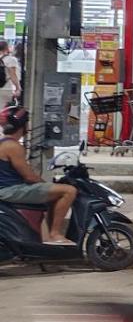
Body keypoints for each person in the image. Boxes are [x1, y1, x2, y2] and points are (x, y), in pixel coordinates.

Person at [0, 106, 76, 245]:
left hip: (7, 189)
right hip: (10, 190)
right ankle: (55, 234)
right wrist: (46, 184)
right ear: (22, 125)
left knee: (54, 192)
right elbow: (29, 177)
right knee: (69, 191)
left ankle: (46, 236)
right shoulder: (13, 146)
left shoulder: (4, 143)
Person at [0, 41, 20, 109]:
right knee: (3, 111)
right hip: (6, 88)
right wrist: (18, 88)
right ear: (7, 48)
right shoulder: (11, 59)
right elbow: (13, 75)